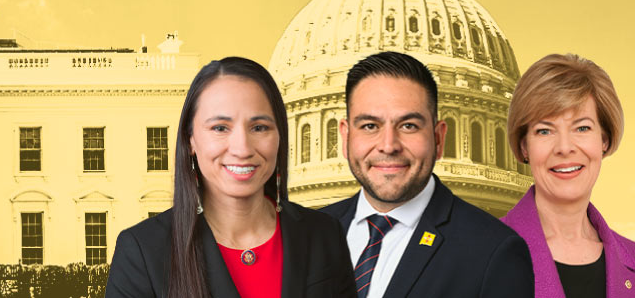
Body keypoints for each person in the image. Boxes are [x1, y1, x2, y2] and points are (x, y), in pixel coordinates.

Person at [106, 57, 356, 298]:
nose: (242, 149)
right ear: (190, 139)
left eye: (259, 127)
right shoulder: (142, 251)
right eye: (220, 128)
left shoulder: (325, 236)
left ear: (280, 136)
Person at [320, 51, 534, 298]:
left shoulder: (492, 252)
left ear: (439, 138)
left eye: (409, 126)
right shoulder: (302, 238)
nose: (388, 146)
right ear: (345, 137)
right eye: (370, 126)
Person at [501, 54, 635, 298]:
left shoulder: (633, 259)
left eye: (582, 128)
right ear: (524, 147)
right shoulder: (478, 257)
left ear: (603, 140)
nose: (565, 147)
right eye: (545, 131)